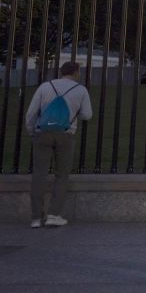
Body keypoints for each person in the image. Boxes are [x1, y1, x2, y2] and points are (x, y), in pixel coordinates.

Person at [24, 61, 93, 228]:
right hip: (66, 134)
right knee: (61, 175)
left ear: (61, 72)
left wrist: (32, 131)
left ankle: (35, 217)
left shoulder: (45, 87)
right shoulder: (80, 90)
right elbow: (87, 115)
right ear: (76, 73)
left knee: (39, 174)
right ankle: (54, 214)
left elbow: (31, 113)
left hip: (43, 133)